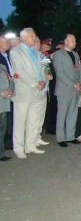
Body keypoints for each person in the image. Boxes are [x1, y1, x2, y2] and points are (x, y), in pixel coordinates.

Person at [10, 28, 47, 158]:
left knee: (33, 119)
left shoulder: (35, 53)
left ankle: (30, 145)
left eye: (34, 35)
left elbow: (42, 68)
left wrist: (42, 81)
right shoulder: (16, 52)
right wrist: (35, 83)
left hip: (37, 90)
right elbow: (19, 71)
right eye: (32, 36)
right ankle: (18, 147)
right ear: (24, 38)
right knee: (20, 121)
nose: (34, 37)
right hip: (24, 91)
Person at [52, 34, 81, 147]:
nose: (75, 42)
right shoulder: (58, 54)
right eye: (73, 40)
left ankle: (70, 136)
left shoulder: (75, 54)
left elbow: (79, 70)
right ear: (65, 41)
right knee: (62, 114)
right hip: (64, 89)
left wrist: (79, 82)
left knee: (73, 113)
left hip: (75, 88)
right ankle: (61, 138)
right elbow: (59, 72)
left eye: (75, 40)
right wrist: (73, 84)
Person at [0, 36, 14, 150]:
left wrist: (11, 89)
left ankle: (6, 142)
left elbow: (9, 75)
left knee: (7, 120)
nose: (9, 43)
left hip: (8, 90)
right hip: (2, 93)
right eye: (6, 42)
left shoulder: (7, 55)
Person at [0, 63, 14, 161]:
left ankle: (0, 153)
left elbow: (11, 80)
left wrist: (11, 90)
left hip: (3, 104)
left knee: (2, 130)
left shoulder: (2, 66)